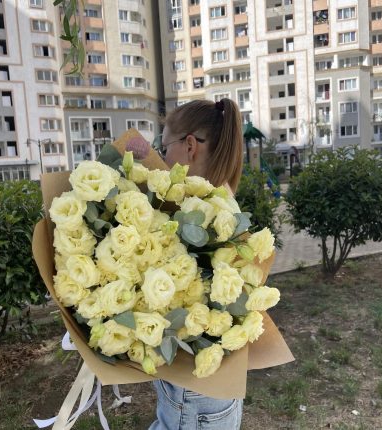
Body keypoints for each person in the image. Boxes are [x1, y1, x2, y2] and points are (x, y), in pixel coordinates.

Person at [149, 98, 244, 430]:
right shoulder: (220, 201)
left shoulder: (203, 218)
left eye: (164, 148)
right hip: (211, 385)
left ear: (189, 145)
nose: (161, 159)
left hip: (194, 390)